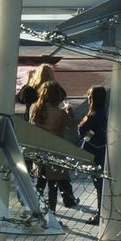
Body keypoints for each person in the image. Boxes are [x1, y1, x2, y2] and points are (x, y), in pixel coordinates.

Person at [30, 80, 78, 212]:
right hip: (54, 152)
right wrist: (69, 110)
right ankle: (51, 213)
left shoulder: (34, 109)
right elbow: (72, 125)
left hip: (39, 151)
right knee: (53, 186)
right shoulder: (60, 113)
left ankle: (36, 211)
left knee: (39, 183)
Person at [78, 85, 107, 225]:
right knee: (100, 184)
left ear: (92, 98)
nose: (87, 98)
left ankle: (100, 214)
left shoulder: (94, 115)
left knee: (99, 184)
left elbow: (81, 130)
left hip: (95, 153)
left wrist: (88, 133)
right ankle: (102, 212)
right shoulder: (103, 113)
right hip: (102, 150)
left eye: (89, 96)